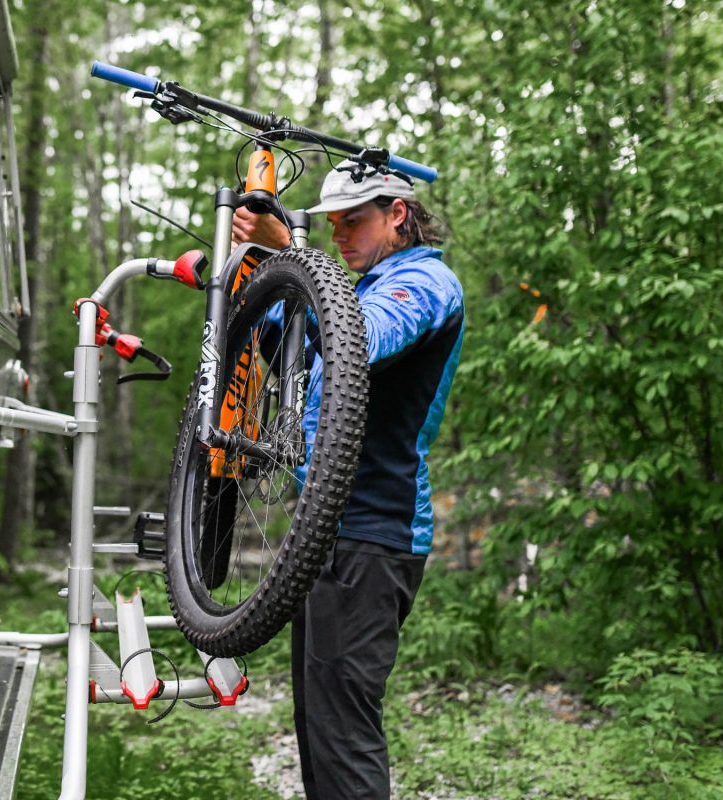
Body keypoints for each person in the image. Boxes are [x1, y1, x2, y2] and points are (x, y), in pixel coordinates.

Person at [232, 162, 465, 800]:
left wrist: (295, 256)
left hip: (374, 534)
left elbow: (358, 337)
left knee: (345, 732)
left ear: (397, 214)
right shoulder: (359, 287)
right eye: (331, 224)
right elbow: (300, 348)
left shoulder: (424, 280)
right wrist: (256, 282)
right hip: (327, 534)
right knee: (320, 728)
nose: (339, 234)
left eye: (352, 221)